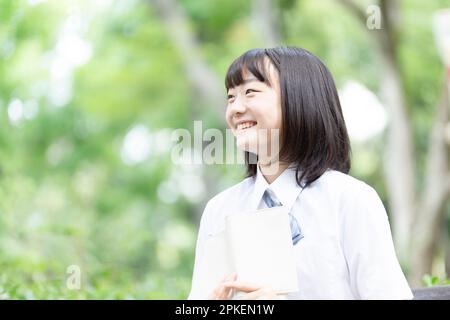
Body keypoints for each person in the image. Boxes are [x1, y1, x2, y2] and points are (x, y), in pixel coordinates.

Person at [187, 46, 414, 300]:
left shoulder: (351, 201)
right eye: (231, 97)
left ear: (300, 98)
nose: (235, 109)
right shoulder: (219, 211)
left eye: (250, 92)